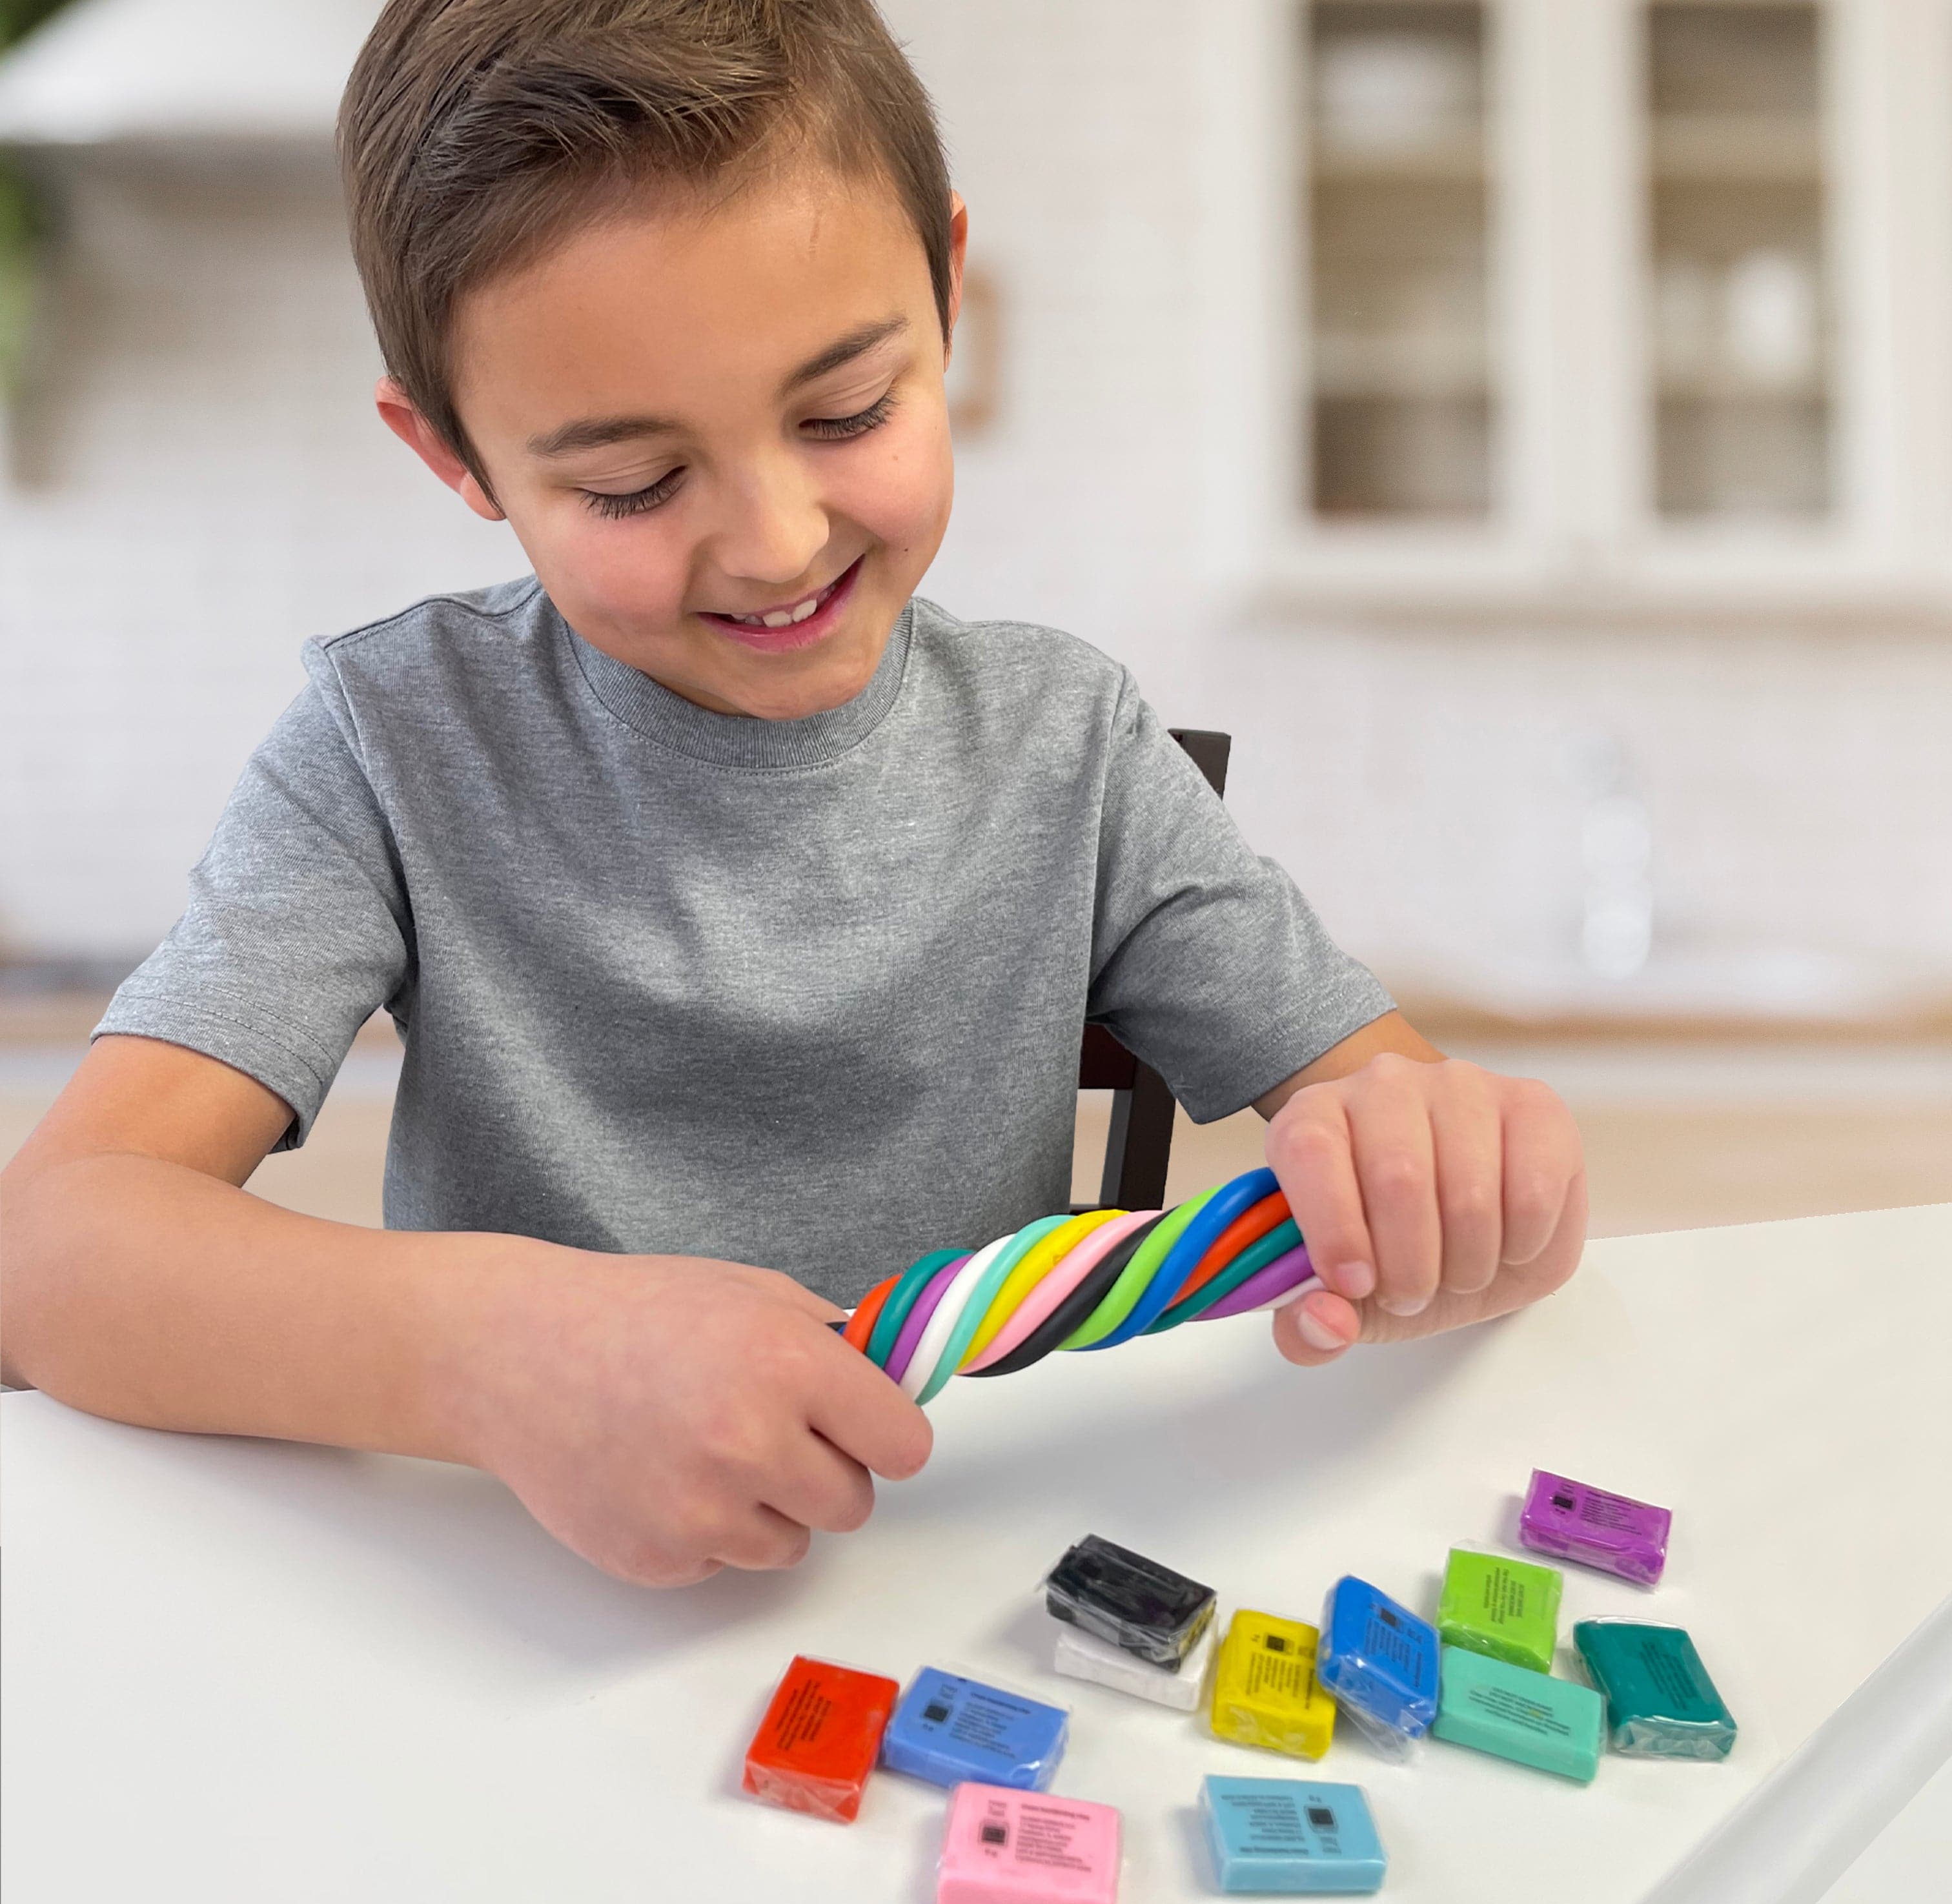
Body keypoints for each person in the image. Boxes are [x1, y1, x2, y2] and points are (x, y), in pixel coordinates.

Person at [0, 0, 1585, 1588]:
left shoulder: (1070, 747)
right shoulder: (392, 748)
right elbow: (46, 1255)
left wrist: (1444, 1162)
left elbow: (1383, 1108)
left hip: (973, 1579)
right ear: (459, 459)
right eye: (631, 483)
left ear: (946, 291)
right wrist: (496, 1358)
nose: (772, 541)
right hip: (530, 1597)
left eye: (845, 414)